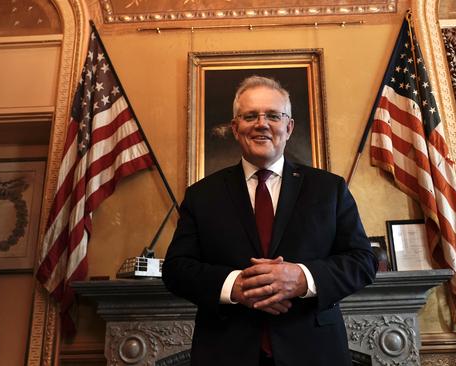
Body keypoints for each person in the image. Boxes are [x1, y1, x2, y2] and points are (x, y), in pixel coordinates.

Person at [162, 75, 377, 366]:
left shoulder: (329, 189)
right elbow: (176, 269)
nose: (262, 124)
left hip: (315, 352)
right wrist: (233, 285)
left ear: (289, 128)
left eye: (273, 116)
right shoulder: (202, 195)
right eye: (250, 116)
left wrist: (303, 278)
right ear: (236, 128)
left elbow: (363, 261)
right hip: (225, 351)